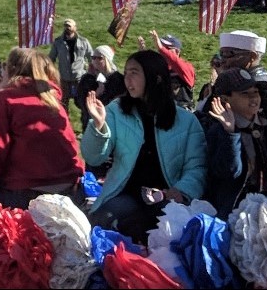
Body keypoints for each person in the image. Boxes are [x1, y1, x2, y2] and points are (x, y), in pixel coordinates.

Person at [80, 49, 206, 243]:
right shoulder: (116, 110)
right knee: (102, 223)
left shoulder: (186, 121)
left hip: (168, 197)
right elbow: (93, 157)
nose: (127, 79)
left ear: (155, 78)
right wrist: (98, 126)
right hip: (126, 193)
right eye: (126, 72)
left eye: (134, 73)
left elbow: (197, 167)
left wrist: (181, 191)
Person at [0, 47, 83, 209]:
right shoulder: (53, 101)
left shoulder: (5, 100)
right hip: (67, 192)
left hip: (26, 193)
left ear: (11, 70)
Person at [195, 67, 267, 214]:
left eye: (256, 92)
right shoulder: (216, 131)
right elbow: (230, 172)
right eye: (245, 93)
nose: (253, 98)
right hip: (236, 211)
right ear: (225, 99)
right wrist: (230, 133)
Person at [74, 45, 125, 132]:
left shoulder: (118, 80)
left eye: (100, 58)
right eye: (93, 58)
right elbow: (78, 102)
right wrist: (96, 94)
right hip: (89, 125)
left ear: (107, 59)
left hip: (111, 126)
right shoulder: (87, 78)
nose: (95, 61)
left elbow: (119, 105)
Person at [50, 19, 93, 94]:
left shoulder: (83, 42)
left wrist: (92, 73)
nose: (67, 28)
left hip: (79, 78)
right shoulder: (58, 42)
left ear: (75, 27)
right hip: (64, 79)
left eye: (69, 26)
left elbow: (91, 58)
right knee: (63, 101)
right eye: (65, 26)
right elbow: (51, 58)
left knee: (81, 101)